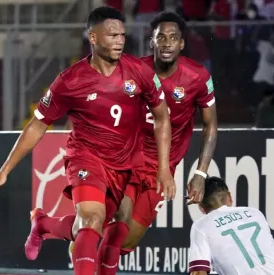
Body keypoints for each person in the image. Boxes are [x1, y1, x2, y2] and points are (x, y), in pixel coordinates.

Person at [0, 6, 175, 275]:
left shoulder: (139, 72)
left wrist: (163, 168)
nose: (120, 40)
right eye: (112, 35)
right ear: (93, 38)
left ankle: (44, 225)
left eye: (122, 35)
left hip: (126, 161)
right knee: (92, 220)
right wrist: (5, 170)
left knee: (117, 228)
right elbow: (38, 125)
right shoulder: (69, 81)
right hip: (87, 157)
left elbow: (162, 117)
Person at [64, 11, 217, 274]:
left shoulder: (198, 77)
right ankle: (78, 250)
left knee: (125, 240)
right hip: (126, 159)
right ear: (152, 41)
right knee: (95, 225)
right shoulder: (134, 69)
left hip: (162, 167)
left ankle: (48, 225)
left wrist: (201, 172)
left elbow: (210, 126)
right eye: (161, 37)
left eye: (174, 38)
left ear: (182, 43)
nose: (167, 43)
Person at [188, 176, 274, 275]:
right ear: (229, 198)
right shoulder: (255, 213)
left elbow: (199, 272)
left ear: (201, 208)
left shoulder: (201, 226)